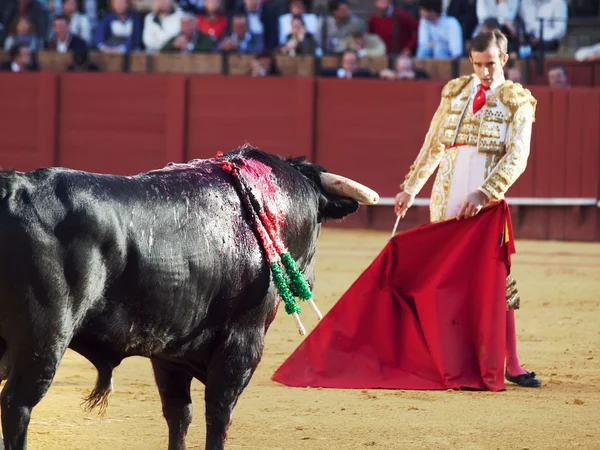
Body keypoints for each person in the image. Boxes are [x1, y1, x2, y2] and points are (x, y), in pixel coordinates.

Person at [394, 29, 542, 388]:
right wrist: (410, 188)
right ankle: (449, 360)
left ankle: (513, 363)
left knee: (497, 281)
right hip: (445, 200)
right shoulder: (456, 92)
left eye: (490, 64)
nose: (484, 72)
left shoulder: (517, 101)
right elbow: (433, 146)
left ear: (504, 60)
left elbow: (517, 157)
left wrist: (485, 193)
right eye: (477, 64)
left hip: (485, 206)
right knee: (444, 281)